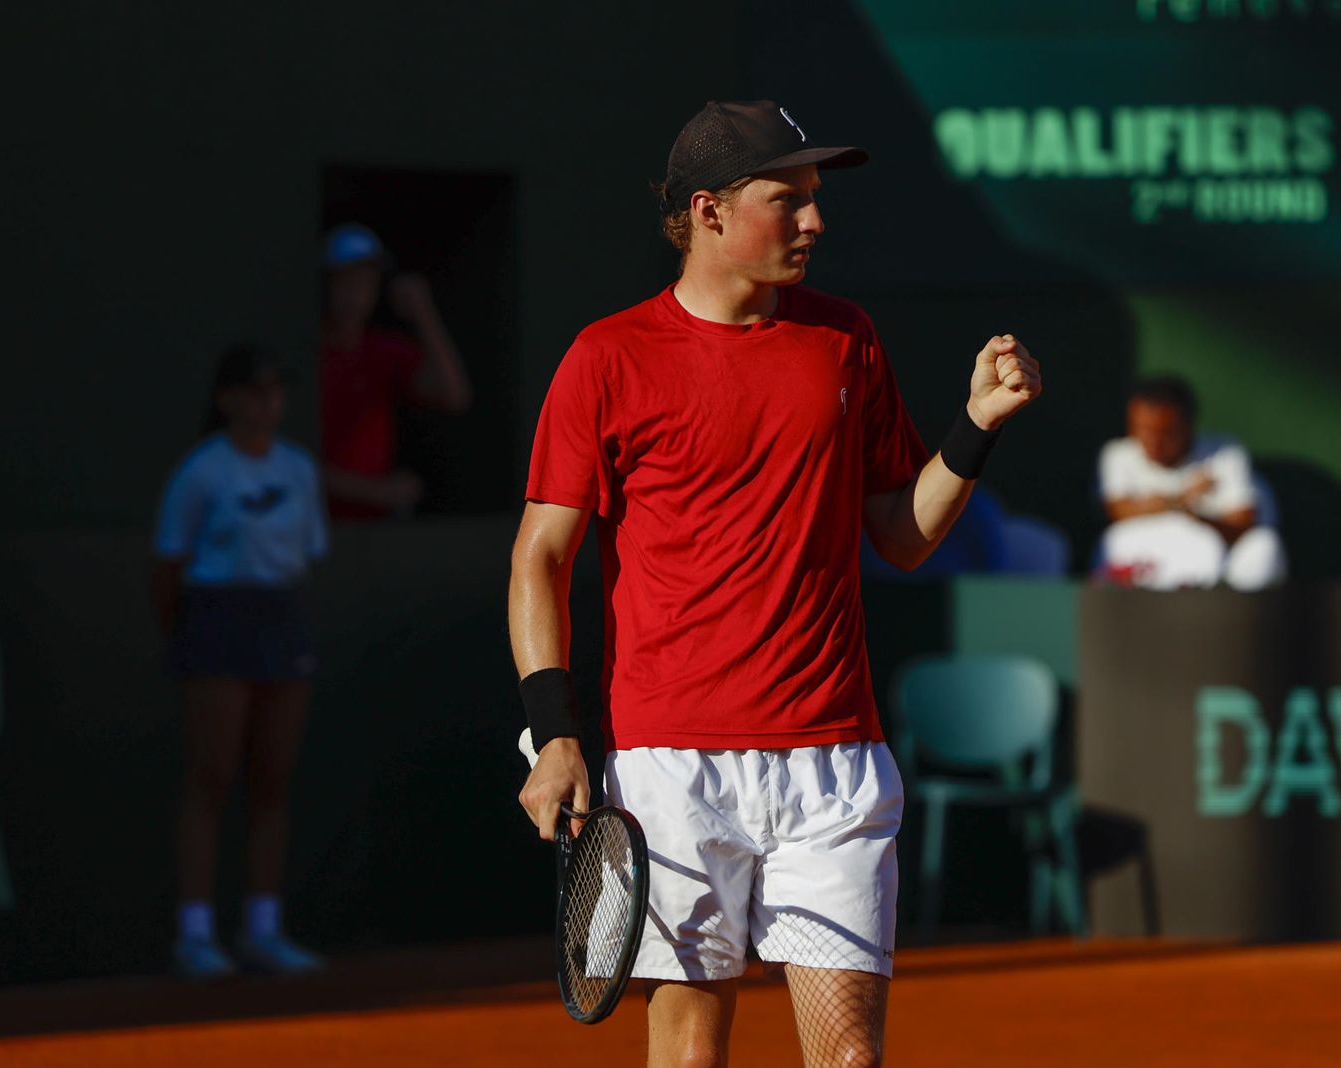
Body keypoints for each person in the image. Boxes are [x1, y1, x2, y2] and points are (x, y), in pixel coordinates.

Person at [509, 100, 1041, 1066]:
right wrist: (555, 735)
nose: (814, 222)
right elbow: (541, 555)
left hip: (834, 759)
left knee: (848, 1059)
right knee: (692, 1054)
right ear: (707, 211)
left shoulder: (847, 340)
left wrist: (975, 427)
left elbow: (900, 534)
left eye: (816, 199)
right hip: (674, 766)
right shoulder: (607, 357)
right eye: (786, 200)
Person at [152, 344, 329, 977]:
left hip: (278, 623)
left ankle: (262, 928)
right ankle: (195, 934)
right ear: (227, 399)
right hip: (216, 625)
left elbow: (306, 554)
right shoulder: (201, 472)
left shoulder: (299, 470)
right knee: (211, 778)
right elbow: (167, 569)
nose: (268, 402)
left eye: (276, 390)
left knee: (272, 780)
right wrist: (198, 633)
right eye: (255, 390)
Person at [319, 223, 473, 519]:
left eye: (365, 282)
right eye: (346, 282)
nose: (356, 295)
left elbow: (454, 396)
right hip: (313, 528)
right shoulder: (308, 354)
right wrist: (378, 491)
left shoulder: (381, 351)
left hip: (373, 529)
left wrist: (422, 311)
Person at [1098, 375, 1285, 589]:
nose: (1153, 443)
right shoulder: (1117, 454)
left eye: (1165, 434)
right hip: (1146, 568)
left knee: (1264, 544)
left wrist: (1194, 518)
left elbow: (1242, 521)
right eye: (1143, 430)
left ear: (1188, 425)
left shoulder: (1225, 453)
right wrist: (1181, 499)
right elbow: (1118, 511)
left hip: (1216, 570)